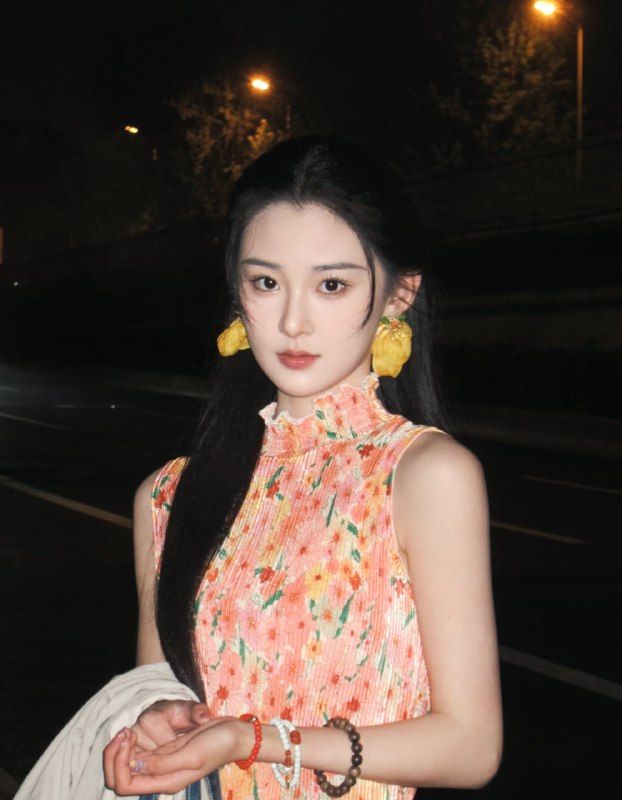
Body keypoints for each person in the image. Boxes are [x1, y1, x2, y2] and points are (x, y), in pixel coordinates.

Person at [104, 135, 502, 799]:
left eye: (331, 285)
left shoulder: (423, 475)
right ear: (237, 291)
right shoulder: (169, 495)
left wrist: (256, 740)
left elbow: (471, 746)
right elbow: (158, 701)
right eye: (266, 282)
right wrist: (151, 735)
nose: (293, 321)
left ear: (399, 294)